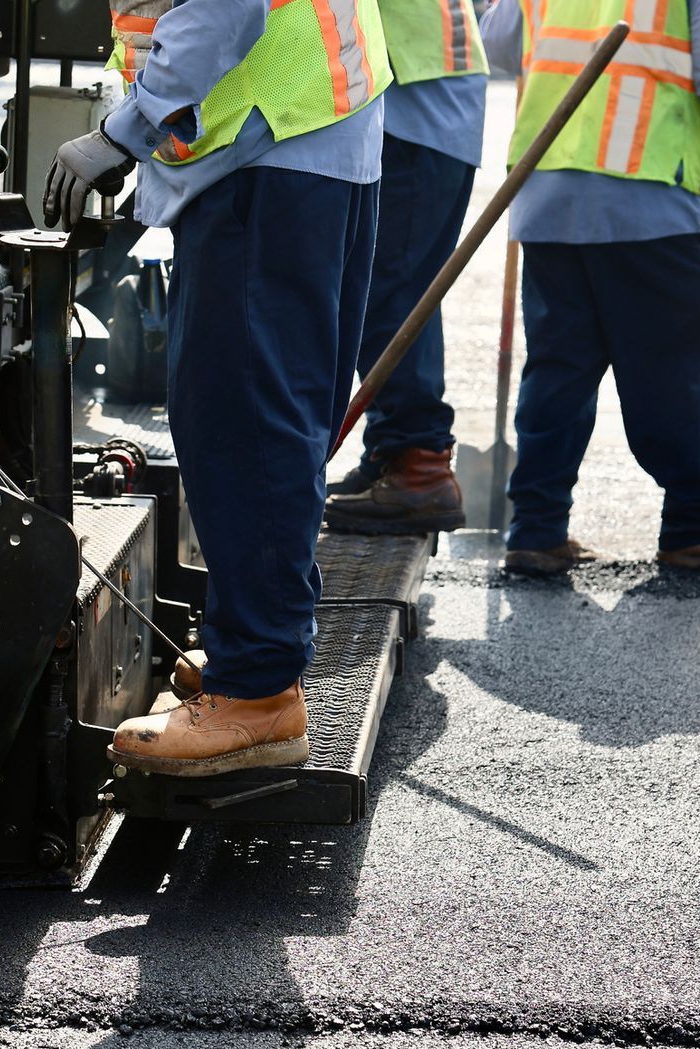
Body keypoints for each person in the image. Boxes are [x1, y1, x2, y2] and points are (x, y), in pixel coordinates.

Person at [43, 0, 389, 776]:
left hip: (268, 147)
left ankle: (258, 695)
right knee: (275, 415)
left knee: (244, 423)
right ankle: (255, 650)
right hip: (305, 132)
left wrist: (124, 133)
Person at [481, 0, 700, 575]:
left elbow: (499, 42)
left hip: (547, 195)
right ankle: (695, 522)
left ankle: (537, 529)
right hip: (649, 196)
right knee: (672, 373)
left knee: (558, 371)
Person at [323, 0, 489, 535]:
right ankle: (397, 450)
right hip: (423, 97)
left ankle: (419, 463)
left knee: (391, 293)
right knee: (398, 290)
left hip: (414, 103)